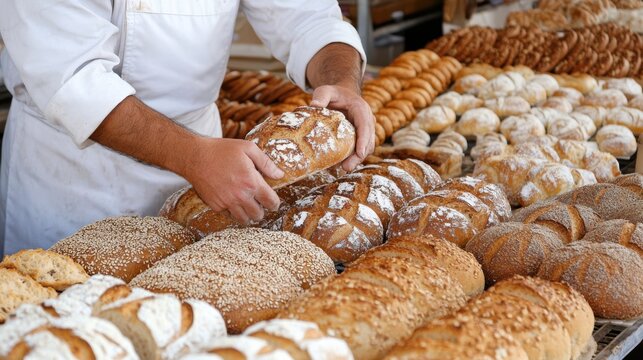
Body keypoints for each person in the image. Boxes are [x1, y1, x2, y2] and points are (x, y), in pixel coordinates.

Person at [0, 0, 374, 255]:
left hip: (209, 175)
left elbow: (308, 17)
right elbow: (75, 79)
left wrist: (341, 82)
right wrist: (193, 156)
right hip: (75, 179)